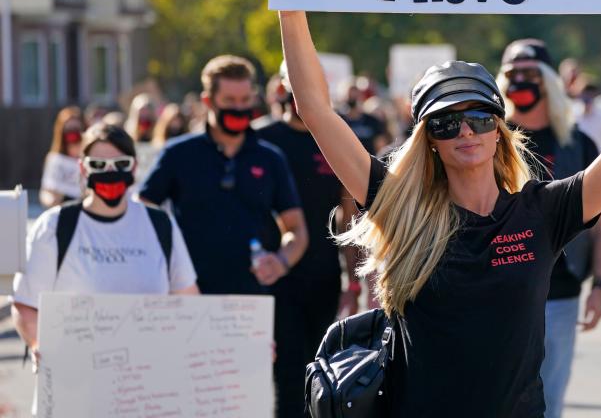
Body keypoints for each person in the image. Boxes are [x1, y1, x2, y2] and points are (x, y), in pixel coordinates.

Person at [258, 0, 601, 417]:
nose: (465, 131)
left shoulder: (544, 210)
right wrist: (291, 3)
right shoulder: (400, 207)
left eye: (477, 118)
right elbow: (316, 111)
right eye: (447, 123)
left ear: (499, 129)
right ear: (429, 141)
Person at [12, 124, 198, 383]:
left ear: (134, 168)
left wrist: (245, 346)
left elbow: (191, 305)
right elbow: (25, 304)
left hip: (149, 388)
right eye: (98, 165)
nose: (110, 173)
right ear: (82, 168)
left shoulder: (160, 225)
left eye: (120, 164)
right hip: (77, 386)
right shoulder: (54, 226)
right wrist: (38, 344)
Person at [497, 38, 601, 418]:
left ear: (548, 79)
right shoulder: (488, 141)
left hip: (560, 293)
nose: (521, 82)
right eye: (513, 75)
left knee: (548, 402)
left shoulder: (577, 144)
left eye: (530, 74)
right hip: (498, 289)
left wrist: (598, 286)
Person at [138, 55, 308, 296]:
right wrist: (163, 259)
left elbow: (297, 229)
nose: (239, 108)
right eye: (229, 100)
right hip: (189, 294)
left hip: (253, 298)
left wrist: (281, 261)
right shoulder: (178, 154)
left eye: (245, 100)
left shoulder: (270, 158)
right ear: (208, 100)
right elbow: (141, 212)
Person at [255, 59, 362, 418]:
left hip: (323, 273)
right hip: (278, 274)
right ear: (283, 90)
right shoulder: (262, 139)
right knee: (285, 374)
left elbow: (349, 216)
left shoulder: (336, 136)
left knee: (321, 370)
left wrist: (353, 279)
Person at [39, 107, 86, 207]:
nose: (73, 135)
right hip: (62, 208)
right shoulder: (54, 159)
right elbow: (46, 191)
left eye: (76, 130)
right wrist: (51, 201)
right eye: (68, 130)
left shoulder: (90, 159)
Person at [340, 79, 390, 155]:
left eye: (355, 95)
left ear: (361, 96)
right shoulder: (339, 121)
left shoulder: (372, 121)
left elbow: (381, 147)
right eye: (350, 96)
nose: (353, 98)